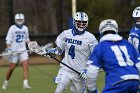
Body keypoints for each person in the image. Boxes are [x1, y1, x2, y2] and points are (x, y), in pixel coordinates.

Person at [80, 19, 140, 93]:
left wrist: (92, 89)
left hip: (116, 82)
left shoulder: (100, 47)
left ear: (101, 31)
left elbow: (92, 71)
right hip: (135, 81)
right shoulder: (127, 44)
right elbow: (138, 65)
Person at [44, 12, 99, 93]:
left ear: (87, 23)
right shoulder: (66, 34)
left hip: (80, 73)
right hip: (66, 69)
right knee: (58, 90)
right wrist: (53, 52)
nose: (81, 24)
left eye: (83, 22)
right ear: (74, 22)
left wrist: (87, 70)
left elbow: (95, 57)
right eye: (79, 22)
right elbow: (59, 50)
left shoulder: (91, 38)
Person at [2, 13, 32, 90]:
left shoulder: (25, 28)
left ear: (23, 20)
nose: (19, 21)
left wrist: (30, 45)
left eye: (21, 19)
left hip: (23, 50)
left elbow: (27, 39)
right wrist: (9, 48)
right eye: (18, 20)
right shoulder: (12, 28)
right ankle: (6, 82)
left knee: (25, 65)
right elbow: (8, 40)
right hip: (14, 51)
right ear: (15, 20)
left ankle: (25, 84)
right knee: (11, 68)